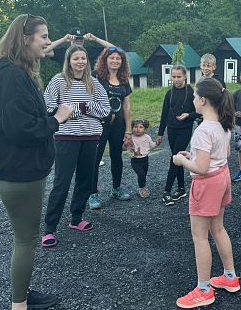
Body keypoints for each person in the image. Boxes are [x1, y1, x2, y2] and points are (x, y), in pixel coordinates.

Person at [0, 13, 72, 310]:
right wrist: (58, 118)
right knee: (26, 240)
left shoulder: (14, 72)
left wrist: (48, 115)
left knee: (25, 238)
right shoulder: (12, 76)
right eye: (43, 36)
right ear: (25, 39)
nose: (48, 42)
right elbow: (21, 129)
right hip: (18, 171)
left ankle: (21, 293)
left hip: (20, 168)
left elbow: (22, 118)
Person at [172, 78, 239, 308]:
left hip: (207, 183)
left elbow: (201, 167)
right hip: (221, 177)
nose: (192, 100)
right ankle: (230, 277)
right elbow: (223, 154)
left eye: (194, 97)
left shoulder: (202, 130)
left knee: (199, 237)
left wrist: (182, 160)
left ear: (202, 100)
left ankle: (204, 290)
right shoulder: (223, 123)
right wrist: (193, 155)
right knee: (218, 228)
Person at [42, 45, 110, 248]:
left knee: (85, 179)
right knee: (61, 182)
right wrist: (65, 112)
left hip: (90, 136)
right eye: (76, 58)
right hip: (66, 137)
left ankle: (76, 217)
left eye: (83, 58)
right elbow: (47, 106)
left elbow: (105, 110)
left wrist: (83, 107)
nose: (80, 62)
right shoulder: (58, 80)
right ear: (69, 61)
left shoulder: (94, 83)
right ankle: (49, 229)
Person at [89, 46, 133, 209]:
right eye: (112, 58)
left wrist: (128, 130)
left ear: (122, 61)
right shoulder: (96, 76)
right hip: (99, 125)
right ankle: (92, 193)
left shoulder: (124, 79)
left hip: (118, 125)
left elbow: (126, 106)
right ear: (105, 60)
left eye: (118, 58)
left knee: (117, 156)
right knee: (95, 159)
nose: (115, 61)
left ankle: (116, 188)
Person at [156, 65, 200, 205]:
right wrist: (160, 133)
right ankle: (181, 188)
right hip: (171, 129)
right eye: (174, 77)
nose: (176, 80)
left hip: (184, 129)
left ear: (185, 76)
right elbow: (164, 114)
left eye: (179, 77)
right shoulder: (169, 93)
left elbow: (199, 112)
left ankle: (166, 191)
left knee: (175, 158)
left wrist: (188, 115)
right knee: (178, 157)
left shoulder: (192, 92)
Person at [45, 28, 112, 66]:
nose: (79, 40)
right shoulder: (63, 52)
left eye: (80, 38)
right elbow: (44, 51)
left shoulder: (91, 50)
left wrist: (96, 39)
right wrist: (63, 39)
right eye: (76, 38)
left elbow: (114, 49)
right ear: (71, 38)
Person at [126, 118, 157, 198]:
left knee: (144, 175)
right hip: (135, 160)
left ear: (145, 129)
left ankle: (143, 186)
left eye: (140, 127)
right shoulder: (131, 137)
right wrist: (125, 144)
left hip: (145, 159)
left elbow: (152, 145)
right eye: (136, 127)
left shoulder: (147, 137)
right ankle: (141, 188)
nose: (138, 129)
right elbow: (124, 148)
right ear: (132, 128)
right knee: (141, 174)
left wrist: (157, 143)